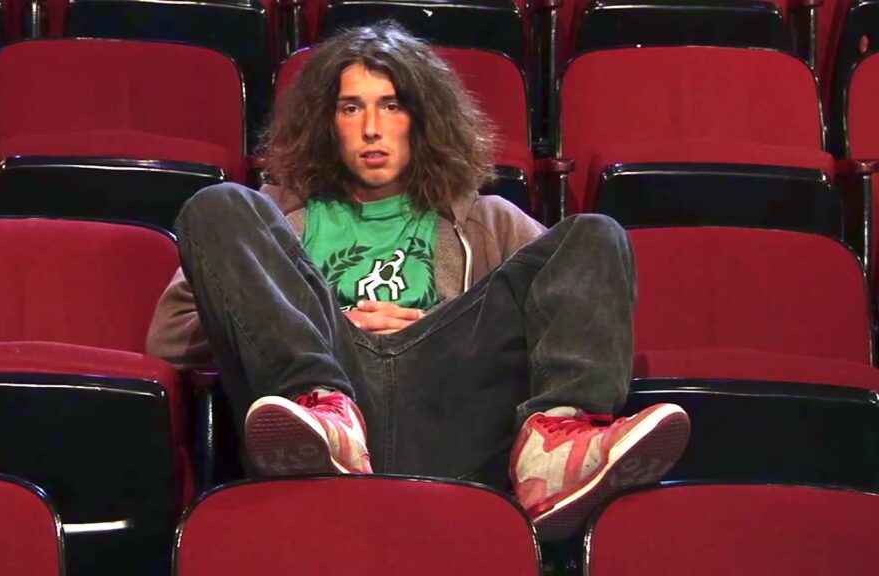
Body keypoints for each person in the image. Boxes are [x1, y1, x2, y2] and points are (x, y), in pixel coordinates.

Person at [148, 22, 690, 540]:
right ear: (325, 123)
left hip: (450, 397)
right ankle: (323, 410)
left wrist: (438, 322)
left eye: (392, 106)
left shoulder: (489, 220)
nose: (372, 128)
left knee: (596, 234)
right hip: (327, 394)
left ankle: (555, 450)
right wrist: (314, 323)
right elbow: (170, 338)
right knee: (217, 203)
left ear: (424, 119)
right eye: (350, 108)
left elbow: (578, 319)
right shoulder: (272, 219)